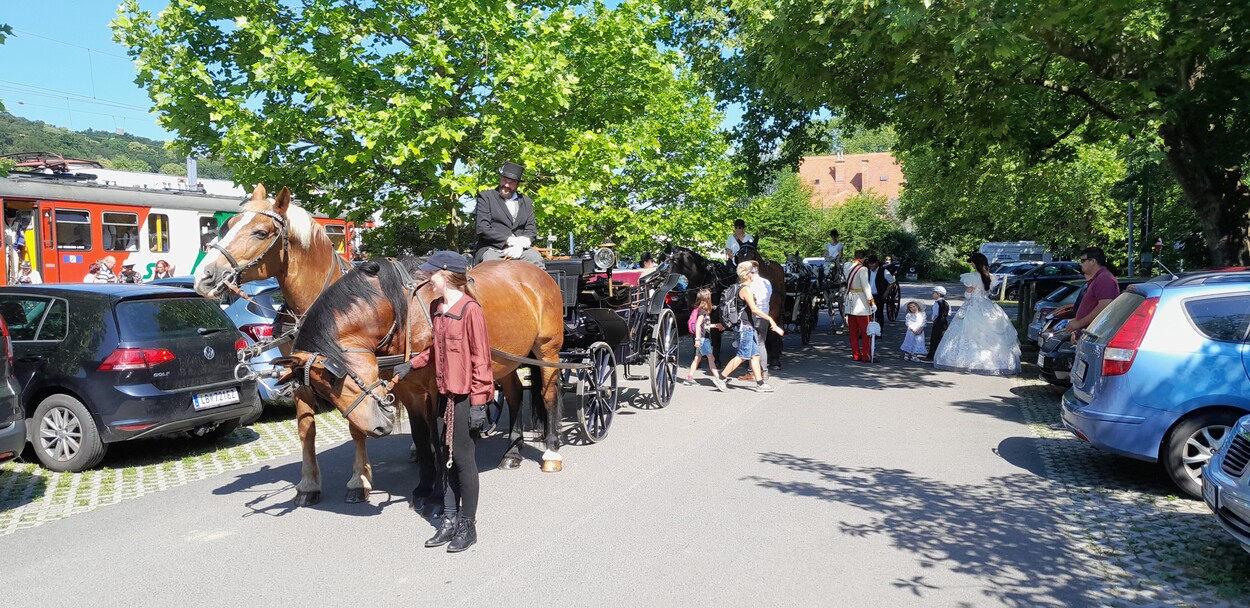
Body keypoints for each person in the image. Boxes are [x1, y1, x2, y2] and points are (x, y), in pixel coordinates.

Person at [419, 250, 493, 553]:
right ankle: (448, 520)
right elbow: (436, 351)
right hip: (443, 394)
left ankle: (468, 524)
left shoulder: (470, 310)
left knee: (463, 461)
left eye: (431, 274)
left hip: (463, 398)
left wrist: (479, 403)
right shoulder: (437, 307)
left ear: (446, 275)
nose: (428, 279)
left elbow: (481, 360)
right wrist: (412, 363)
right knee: (443, 457)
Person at [932, 253, 1021, 375]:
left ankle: (964, 361)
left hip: (973, 305)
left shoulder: (972, 277)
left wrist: (968, 294)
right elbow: (988, 293)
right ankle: (997, 362)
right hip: (987, 305)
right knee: (991, 333)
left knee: (966, 331)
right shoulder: (990, 277)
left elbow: (968, 295)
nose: (972, 265)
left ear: (976, 264)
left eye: (972, 262)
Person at [717, 261, 783, 392]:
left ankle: (760, 383)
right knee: (742, 356)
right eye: (753, 272)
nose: (755, 274)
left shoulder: (740, 287)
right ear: (749, 275)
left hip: (748, 326)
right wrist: (771, 319)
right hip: (745, 327)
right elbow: (754, 309)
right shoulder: (745, 290)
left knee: (755, 355)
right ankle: (721, 378)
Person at [473, 161, 545, 268]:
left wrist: (520, 244)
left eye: (511, 182)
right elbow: (482, 228)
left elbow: (531, 230)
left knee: (536, 258)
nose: (506, 185)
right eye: (504, 180)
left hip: (521, 250)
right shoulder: (486, 197)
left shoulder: (527, 202)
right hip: (493, 249)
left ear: (517, 184)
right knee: (492, 266)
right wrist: (509, 240)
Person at [1066, 247, 1118, 343]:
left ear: (1093, 261)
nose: (1080, 264)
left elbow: (1105, 306)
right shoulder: (1097, 279)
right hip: (1088, 337)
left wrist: (1078, 324)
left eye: (1083, 260)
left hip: (1096, 339)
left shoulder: (1105, 279)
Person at [683, 288, 726, 391]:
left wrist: (715, 325)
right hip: (703, 339)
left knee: (697, 359)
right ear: (707, 298)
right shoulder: (702, 311)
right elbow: (698, 325)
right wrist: (697, 339)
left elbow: (704, 325)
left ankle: (689, 378)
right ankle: (719, 378)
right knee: (711, 359)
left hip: (702, 338)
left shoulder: (701, 310)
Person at [844, 249, 874, 362]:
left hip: (850, 301)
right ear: (863, 258)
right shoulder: (863, 269)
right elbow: (866, 286)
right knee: (867, 331)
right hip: (861, 303)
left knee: (853, 332)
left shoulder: (847, 266)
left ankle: (856, 354)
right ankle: (866, 355)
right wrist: (871, 301)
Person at [867, 255, 895, 327]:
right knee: (867, 314)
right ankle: (868, 332)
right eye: (870, 264)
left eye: (873, 263)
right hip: (868, 296)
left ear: (877, 263)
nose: (871, 265)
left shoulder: (884, 271)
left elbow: (892, 282)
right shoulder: (866, 271)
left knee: (879, 314)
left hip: (879, 296)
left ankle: (878, 333)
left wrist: (885, 294)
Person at [925, 286, 950, 361]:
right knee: (941, 337)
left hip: (938, 322)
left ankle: (932, 353)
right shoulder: (946, 303)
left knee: (934, 337)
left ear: (938, 294)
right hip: (944, 322)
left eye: (934, 293)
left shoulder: (937, 303)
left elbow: (935, 313)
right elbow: (949, 313)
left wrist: (933, 319)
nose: (932, 294)